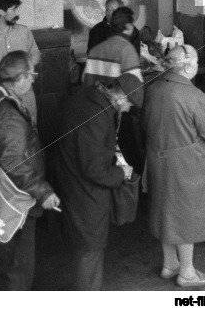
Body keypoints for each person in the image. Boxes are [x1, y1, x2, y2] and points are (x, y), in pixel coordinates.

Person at [0, 51, 61, 290]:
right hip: (15, 202)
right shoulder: (9, 114)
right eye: (32, 75)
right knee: (17, 269)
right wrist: (43, 192)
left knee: (2, 263)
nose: (34, 79)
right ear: (21, 77)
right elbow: (13, 162)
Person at [143, 45, 205, 287]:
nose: (198, 66)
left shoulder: (153, 88)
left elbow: (144, 124)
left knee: (165, 211)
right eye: (197, 62)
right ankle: (187, 272)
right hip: (188, 165)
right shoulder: (195, 96)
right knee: (185, 216)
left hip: (158, 160)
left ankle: (170, 264)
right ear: (188, 66)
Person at [56, 78, 133, 290]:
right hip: (85, 192)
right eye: (129, 104)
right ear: (121, 96)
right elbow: (94, 169)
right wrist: (120, 174)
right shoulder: (98, 115)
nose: (127, 110)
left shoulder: (91, 98)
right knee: (90, 249)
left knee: (87, 248)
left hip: (73, 182)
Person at [83, 5, 146, 170]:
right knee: (128, 153)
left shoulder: (97, 49)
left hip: (97, 108)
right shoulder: (127, 51)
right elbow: (135, 88)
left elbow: (87, 80)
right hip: (121, 109)